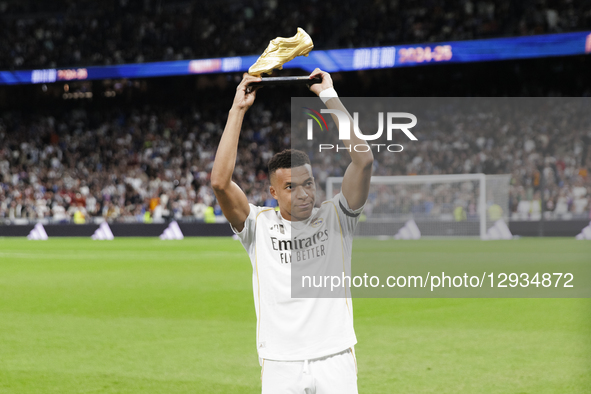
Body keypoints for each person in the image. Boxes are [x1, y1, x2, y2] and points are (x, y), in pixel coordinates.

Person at [211, 68, 373, 393]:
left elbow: (364, 162)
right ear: (273, 192)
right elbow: (219, 182)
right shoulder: (258, 225)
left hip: (335, 356)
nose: (303, 193)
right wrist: (237, 109)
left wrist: (329, 96)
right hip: (280, 362)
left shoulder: (337, 217)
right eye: (290, 187)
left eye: (308, 183)